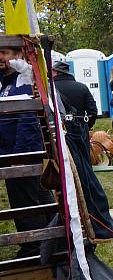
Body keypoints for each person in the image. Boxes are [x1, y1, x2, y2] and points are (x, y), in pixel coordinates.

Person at [0, 46, 56, 258]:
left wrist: (19, 156)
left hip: (21, 155)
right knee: (39, 197)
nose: (0, 57)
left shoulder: (23, 78)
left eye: (4, 52)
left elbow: (27, 121)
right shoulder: (7, 82)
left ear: (19, 56)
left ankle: (33, 247)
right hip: (12, 153)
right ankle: (51, 242)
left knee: (25, 202)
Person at [53, 61, 98, 130]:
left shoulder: (50, 88)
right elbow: (92, 111)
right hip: (80, 130)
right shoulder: (82, 87)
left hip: (58, 132)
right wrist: (86, 127)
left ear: (56, 72)